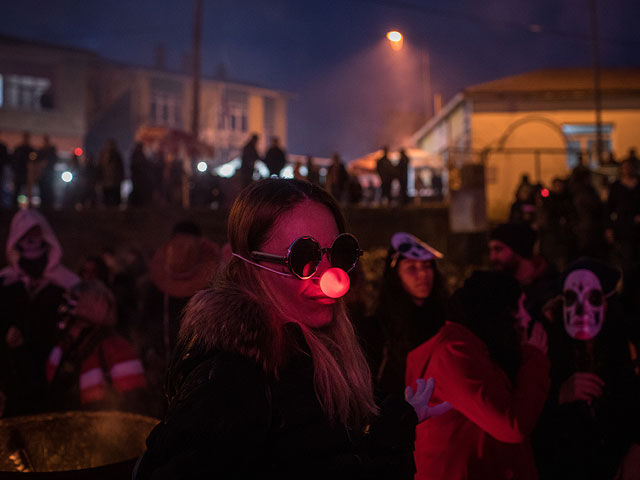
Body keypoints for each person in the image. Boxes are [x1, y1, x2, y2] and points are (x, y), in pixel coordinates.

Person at [134, 178, 444, 479]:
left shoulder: (319, 353)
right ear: (252, 265)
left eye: (339, 252)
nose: (330, 275)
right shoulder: (230, 382)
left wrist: (388, 434)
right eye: (303, 257)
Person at [406, 270, 550, 480]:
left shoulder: (472, 347)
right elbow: (512, 425)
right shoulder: (455, 352)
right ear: (497, 311)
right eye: (518, 307)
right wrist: (535, 360)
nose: (524, 318)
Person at [533, 258, 640, 479]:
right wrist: (559, 396)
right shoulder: (547, 349)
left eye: (593, 298)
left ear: (607, 302)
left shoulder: (628, 348)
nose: (582, 310)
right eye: (572, 299)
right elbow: (528, 421)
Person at [0, 209, 79, 417]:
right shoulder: (6, 285)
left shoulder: (66, 286)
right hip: (11, 384)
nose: (31, 244)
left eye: (36, 236)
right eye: (26, 238)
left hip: (51, 385)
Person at [356, 232, 447, 401]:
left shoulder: (447, 317)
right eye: (411, 268)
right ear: (396, 275)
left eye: (427, 266)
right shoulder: (378, 328)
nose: (422, 275)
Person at [45, 280, 149, 413]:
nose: (67, 326)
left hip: (105, 429)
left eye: (77, 321)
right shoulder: (61, 349)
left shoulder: (116, 349)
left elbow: (135, 405)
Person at [489, 223, 558, 326]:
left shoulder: (550, 287)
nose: (492, 257)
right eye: (491, 250)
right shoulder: (498, 288)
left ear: (517, 249)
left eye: (498, 249)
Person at [606, 158, 640, 270]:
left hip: (637, 228)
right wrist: (609, 228)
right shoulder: (616, 186)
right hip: (624, 228)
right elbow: (608, 208)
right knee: (627, 260)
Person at [11, 131, 36, 207]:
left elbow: (32, 161)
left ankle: (27, 207)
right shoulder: (19, 149)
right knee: (17, 191)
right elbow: (14, 161)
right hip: (20, 173)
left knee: (27, 192)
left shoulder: (29, 149)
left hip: (26, 174)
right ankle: (14, 207)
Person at [98, 139, 125, 207]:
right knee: (110, 200)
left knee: (111, 200)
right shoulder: (105, 155)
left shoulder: (114, 155)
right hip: (110, 182)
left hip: (111, 182)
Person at [36, 134, 58, 209]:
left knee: (48, 190)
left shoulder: (50, 151)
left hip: (48, 175)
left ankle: (48, 205)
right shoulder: (42, 151)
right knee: (43, 191)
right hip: (44, 175)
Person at [130, 142, 152, 207]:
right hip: (139, 179)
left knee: (138, 192)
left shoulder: (135, 155)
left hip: (137, 178)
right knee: (138, 193)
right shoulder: (138, 155)